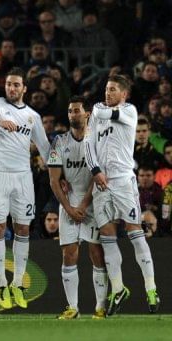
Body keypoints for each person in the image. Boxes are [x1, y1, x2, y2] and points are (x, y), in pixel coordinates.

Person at [0, 67, 50, 309]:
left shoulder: (33, 117)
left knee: (23, 229)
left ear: (24, 88)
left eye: (16, 85)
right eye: (9, 84)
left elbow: (45, 148)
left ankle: (17, 284)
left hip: (23, 177)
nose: (12, 88)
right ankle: (2, 283)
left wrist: (60, 174)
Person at [84, 75, 160, 315]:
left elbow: (103, 114)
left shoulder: (129, 111)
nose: (107, 93)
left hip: (123, 181)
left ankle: (151, 288)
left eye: (113, 90)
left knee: (134, 232)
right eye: (106, 89)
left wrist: (97, 113)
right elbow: (88, 144)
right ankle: (118, 289)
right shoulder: (97, 109)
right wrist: (95, 170)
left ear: (124, 94)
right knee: (107, 235)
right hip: (100, 182)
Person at [48, 96, 108, 319]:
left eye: (77, 110)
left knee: (96, 253)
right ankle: (72, 307)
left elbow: (100, 174)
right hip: (68, 204)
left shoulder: (96, 140)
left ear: (87, 114)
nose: (73, 114)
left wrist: (83, 204)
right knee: (69, 254)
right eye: (70, 111)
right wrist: (69, 207)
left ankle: (100, 307)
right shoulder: (59, 142)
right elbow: (54, 180)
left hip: (94, 202)